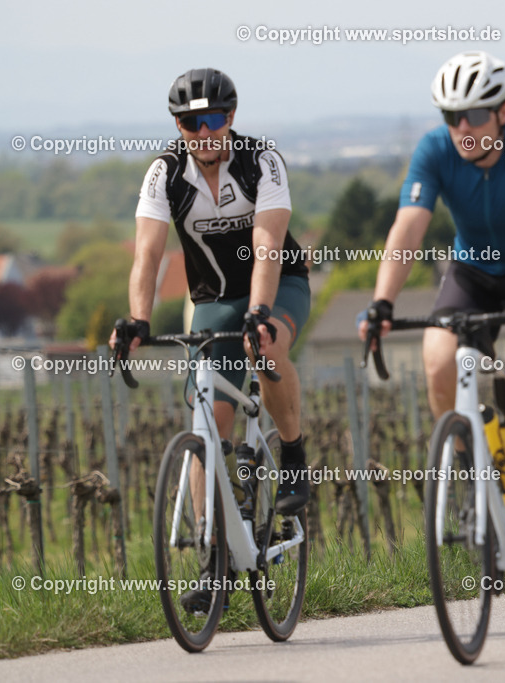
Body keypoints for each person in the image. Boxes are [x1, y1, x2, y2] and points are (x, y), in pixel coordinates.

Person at [358, 51, 505, 580]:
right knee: (437, 359)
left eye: (474, 115)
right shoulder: (434, 149)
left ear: (502, 112)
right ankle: (473, 474)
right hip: (473, 271)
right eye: (451, 116)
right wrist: (383, 301)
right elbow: (408, 228)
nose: (462, 128)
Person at [111, 68, 311, 611]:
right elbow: (148, 254)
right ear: (177, 125)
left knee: (265, 346)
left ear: (231, 119)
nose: (204, 132)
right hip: (212, 299)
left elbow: (268, 242)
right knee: (207, 423)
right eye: (190, 123)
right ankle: (215, 556)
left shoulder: (260, 160)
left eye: (214, 120)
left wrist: (261, 312)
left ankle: (292, 454)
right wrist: (137, 319)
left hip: (280, 282)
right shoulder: (165, 174)